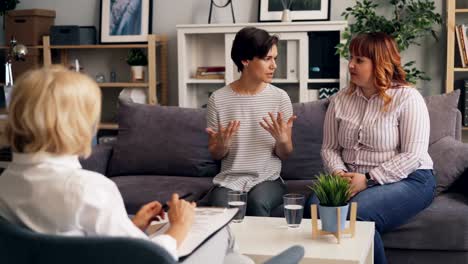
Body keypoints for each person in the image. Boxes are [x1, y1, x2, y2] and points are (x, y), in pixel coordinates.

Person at [0, 66, 252, 264]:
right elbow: (148, 258)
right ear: (75, 125)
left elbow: (71, 245)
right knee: (222, 234)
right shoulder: (87, 188)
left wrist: (133, 227)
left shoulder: (6, 182)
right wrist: (178, 226)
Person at [308, 32, 436, 264]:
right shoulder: (340, 100)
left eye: (359, 60)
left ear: (380, 63)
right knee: (316, 210)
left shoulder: (408, 98)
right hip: (348, 178)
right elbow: (329, 148)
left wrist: (367, 179)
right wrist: (339, 175)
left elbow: (413, 155)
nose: (351, 65)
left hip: (410, 179)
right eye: (351, 58)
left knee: (357, 216)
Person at [206, 27, 297, 216]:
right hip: (229, 180)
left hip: (268, 180)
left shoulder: (280, 98)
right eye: (267, 59)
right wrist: (222, 145)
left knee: (257, 202)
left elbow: (285, 153)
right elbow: (216, 154)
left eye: (275, 58)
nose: (274, 66)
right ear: (245, 60)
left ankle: (261, 247)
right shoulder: (218, 99)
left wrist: (282, 140)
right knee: (223, 208)